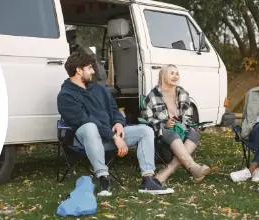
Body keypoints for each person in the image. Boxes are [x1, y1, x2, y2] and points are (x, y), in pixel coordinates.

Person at [57, 51, 173, 196]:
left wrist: (118, 122)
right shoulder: (66, 96)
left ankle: (148, 180)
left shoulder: (99, 89)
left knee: (145, 130)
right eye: (89, 68)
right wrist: (114, 137)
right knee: (89, 127)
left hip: (109, 137)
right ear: (79, 70)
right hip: (85, 140)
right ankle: (103, 178)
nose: (93, 72)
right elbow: (85, 120)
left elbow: (114, 109)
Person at [142, 65, 212, 183]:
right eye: (172, 73)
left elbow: (188, 117)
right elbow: (146, 119)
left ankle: (167, 171)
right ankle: (193, 167)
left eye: (177, 74)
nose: (175, 76)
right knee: (173, 134)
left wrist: (182, 125)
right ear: (163, 76)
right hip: (162, 130)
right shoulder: (153, 96)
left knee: (194, 134)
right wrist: (164, 123)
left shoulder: (182, 93)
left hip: (180, 128)